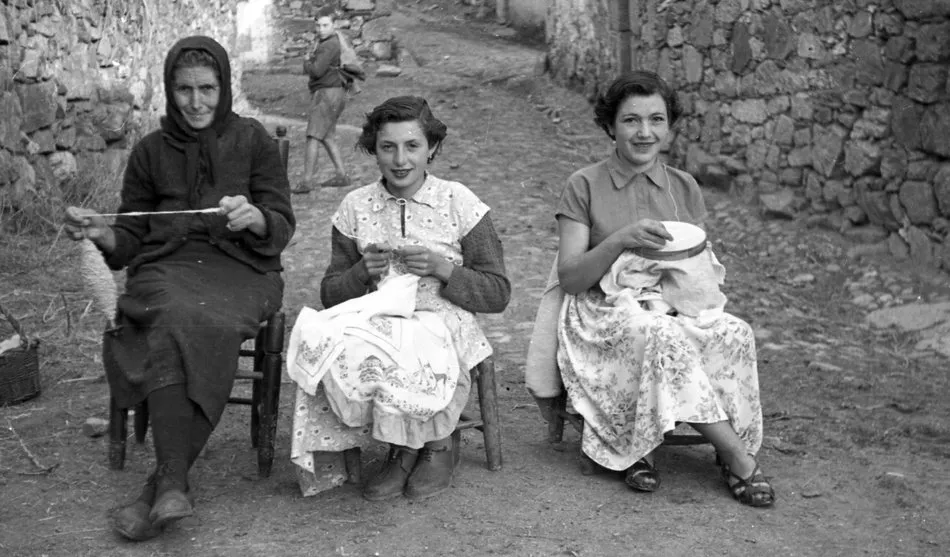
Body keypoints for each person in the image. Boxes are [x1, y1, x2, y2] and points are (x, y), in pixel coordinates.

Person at [62, 36, 295, 540]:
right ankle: (170, 483)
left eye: (207, 88)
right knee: (168, 315)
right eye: (184, 89)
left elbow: (282, 223)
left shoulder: (253, 141)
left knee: (201, 316)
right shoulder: (150, 151)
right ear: (170, 89)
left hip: (242, 270)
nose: (196, 101)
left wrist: (255, 217)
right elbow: (127, 242)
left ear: (224, 87)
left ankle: (164, 483)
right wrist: (103, 233)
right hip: (164, 268)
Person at [531, 70, 775, 507]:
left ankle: (708, 444)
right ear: (610, 126)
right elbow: (570, 278)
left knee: (735, 332)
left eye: (656, 120)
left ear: (669, 126)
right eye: (631, 120)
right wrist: (620, 239)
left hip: (671, 302)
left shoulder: (683, 186)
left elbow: (694, 267)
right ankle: (736, 457)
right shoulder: (583, 185)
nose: (645, 132)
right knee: (660, 335)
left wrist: (686, 299)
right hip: (601, 311)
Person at [286, 96, 510, 501]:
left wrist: (444, 269)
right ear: (374, 149)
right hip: (380, 320)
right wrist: (360, 273)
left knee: (419, 343)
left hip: (446, 322)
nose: (400, 159)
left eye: (412, 146)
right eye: (388, 147)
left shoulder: (459, 202)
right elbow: (330, 292)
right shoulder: (355, 207)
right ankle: (405, 450)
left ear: (433, 149)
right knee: (331, 341)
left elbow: (498, 292)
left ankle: (433, 448)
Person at [295, 8, 350, 193]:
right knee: (326, 136)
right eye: (318, 25)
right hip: (335, 92)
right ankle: (341, 175)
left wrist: (306, 62)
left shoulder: (329, 45)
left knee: (313, 136)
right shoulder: (331, 41)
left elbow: (317, 70)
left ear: (334, 25)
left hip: (327, 93)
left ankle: (307, 181)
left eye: (325, 25)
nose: (321, 29)